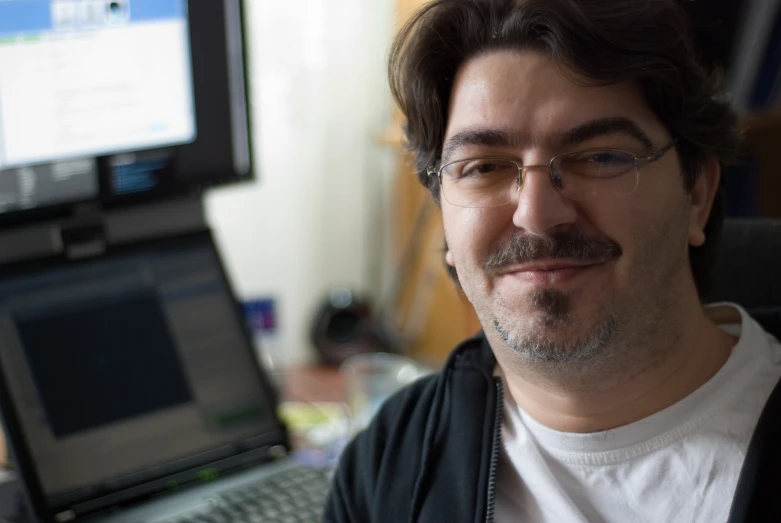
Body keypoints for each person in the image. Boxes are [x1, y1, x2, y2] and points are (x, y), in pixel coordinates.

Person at [324, 0, 781, 521]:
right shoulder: (390, 464)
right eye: (485, 167)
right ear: (443, 217)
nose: (537, 214)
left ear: (697, 193)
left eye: (600, 157)